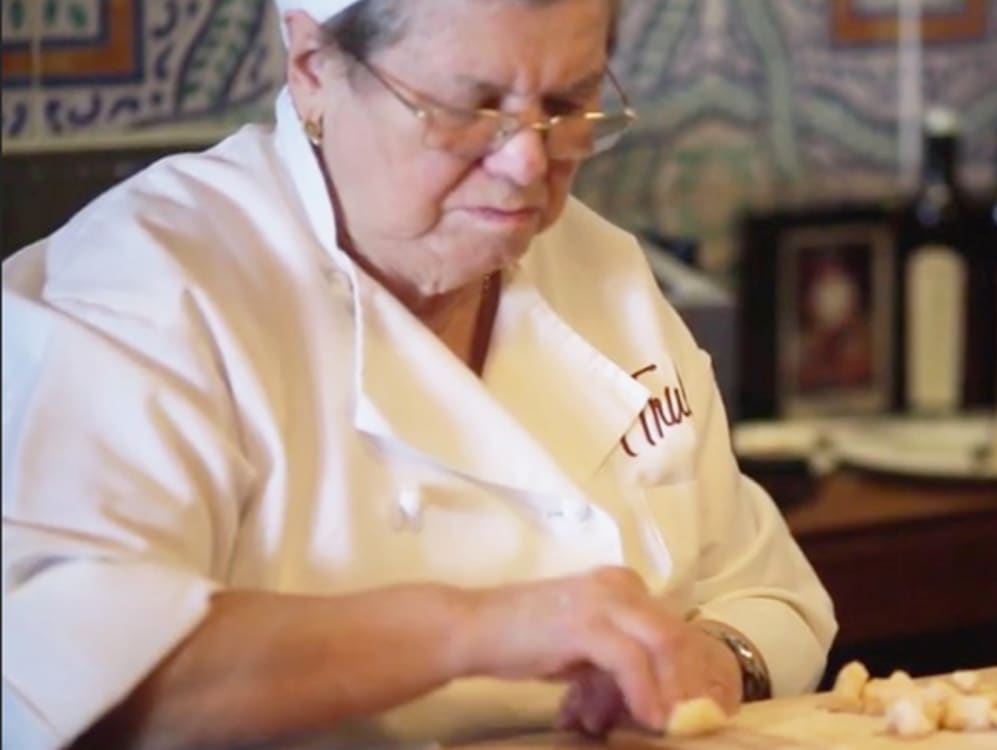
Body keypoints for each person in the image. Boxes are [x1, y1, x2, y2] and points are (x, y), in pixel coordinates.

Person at [0, 0, 836, 748]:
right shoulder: (151, 288)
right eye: (467, 107)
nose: (527, 166)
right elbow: (77, 674)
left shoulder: (601, 270)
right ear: (313, 69)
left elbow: (769, 593)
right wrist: (476, 630)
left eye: (565, 105)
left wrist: (721, 665)